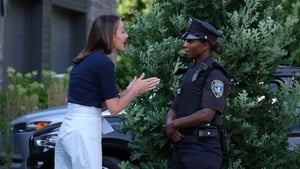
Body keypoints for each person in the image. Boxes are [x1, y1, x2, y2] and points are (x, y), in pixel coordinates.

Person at [54, 15, 160, 169]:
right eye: (122, 32)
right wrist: (135, 91)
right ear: (110, 34)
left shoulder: (85, 59)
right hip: (84, 132)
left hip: (69, 130)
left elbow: (95, 104)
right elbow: (115, 109)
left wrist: (126, 92)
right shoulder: (103, 63)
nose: (126, 36)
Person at [162, 16, 230, 169]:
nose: (185, 45)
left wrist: (173, 124)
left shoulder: (215, 74)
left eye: (190, 41)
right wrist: (170, 125)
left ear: (205, 45)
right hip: (182, 145)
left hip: (203, 148)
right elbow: (175, 107)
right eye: (185, 41)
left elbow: (206, 115)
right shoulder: (190, 73)